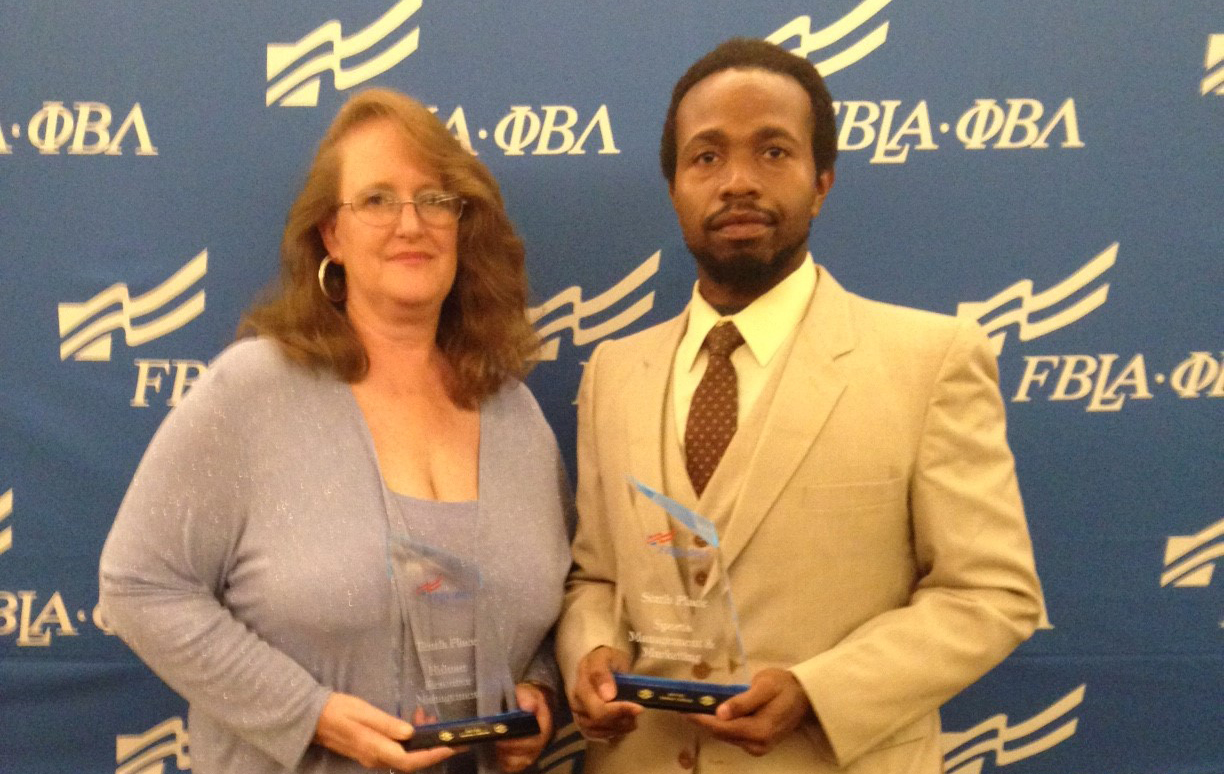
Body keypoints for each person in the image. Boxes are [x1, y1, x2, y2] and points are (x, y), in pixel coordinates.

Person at [557, 38, 1043, 773]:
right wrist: (590, 651)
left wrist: (821, 690)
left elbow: (990, 593)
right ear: (675, 187)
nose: (739, 181)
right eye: (707, 156)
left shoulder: (930, 361)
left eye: (774, 152)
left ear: (822, 182)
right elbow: (595, 576)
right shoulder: (614, 373)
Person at [99, 88, 572, 774]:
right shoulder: (252, 391)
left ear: (462, 224)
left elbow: (545, 613)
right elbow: (139, 585)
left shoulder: (516, 417)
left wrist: (538, 693)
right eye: (377, 200)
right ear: (332, 234)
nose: (410, 222)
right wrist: (307, 713)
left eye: (435, 198)